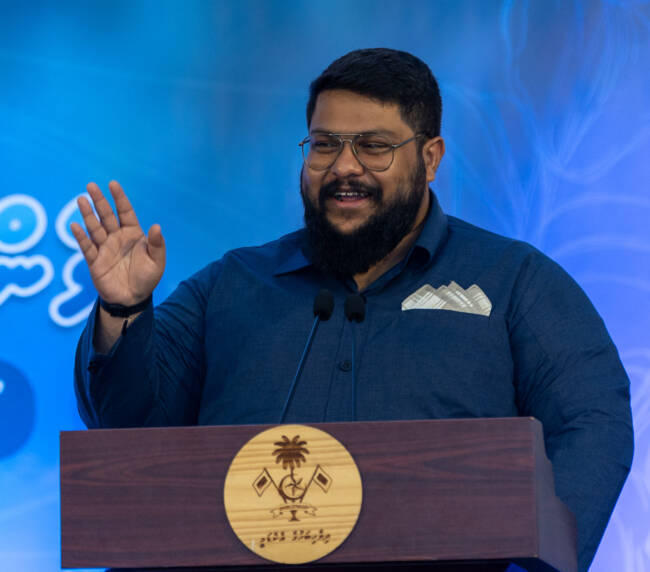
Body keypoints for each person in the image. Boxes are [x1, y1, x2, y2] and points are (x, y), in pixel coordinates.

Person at [72, 48, 633, 571]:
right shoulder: (233, 283)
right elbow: (129, 429)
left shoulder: (515, 280)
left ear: (430, 158)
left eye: (373, 146)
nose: (344, 166)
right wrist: (123, 308)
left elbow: (591, 424)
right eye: (324, 145)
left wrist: (539, 563)